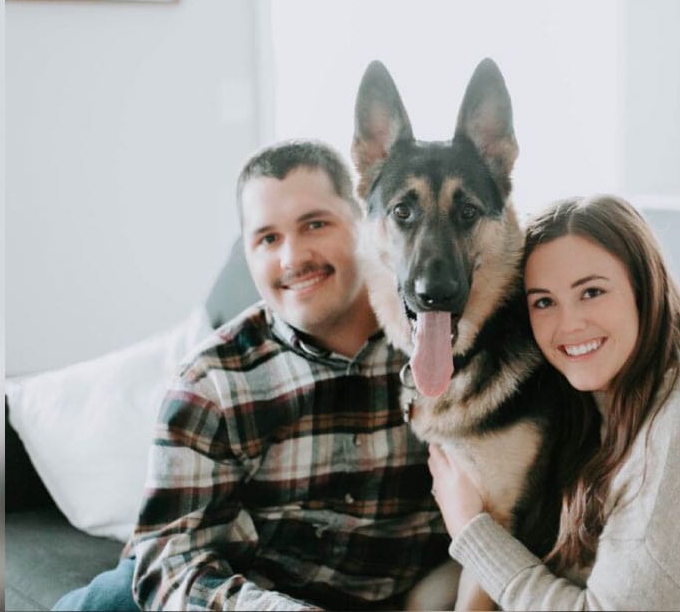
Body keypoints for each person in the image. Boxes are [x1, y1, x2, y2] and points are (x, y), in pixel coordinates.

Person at [54, 140, 451, 611]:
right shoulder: (211, 384)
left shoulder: (436, 343)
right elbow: (171, 564)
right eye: (268, 239)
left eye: (315, 224)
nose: (293, 258)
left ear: (365, 224)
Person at [427, 195, 680, 610]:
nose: (569, 325)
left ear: (643, 287)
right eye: (544, 301)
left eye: (592, 292)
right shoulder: (583, 401)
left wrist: (471, 531)